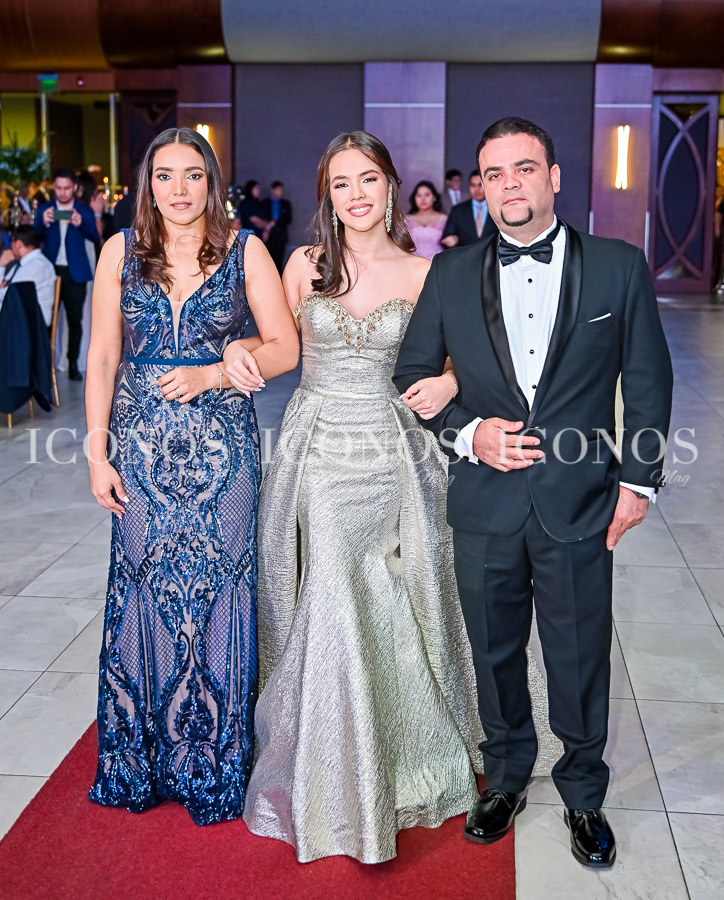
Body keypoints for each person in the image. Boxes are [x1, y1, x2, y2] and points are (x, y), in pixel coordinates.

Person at [229, 130, 559, 864]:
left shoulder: (426, 270)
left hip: (394, 448)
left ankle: (400, 754)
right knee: (333, 580)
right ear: (327, 194)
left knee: (394, 588)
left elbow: (468, 360)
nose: (356, 195)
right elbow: (278, 346)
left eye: (368, 180)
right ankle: (334, 769)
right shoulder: (304, 264)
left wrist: (447, 379)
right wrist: (234, 351)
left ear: (390, 187)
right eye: (340, 183)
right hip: (319, 448)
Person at [394, 116, 674, 869]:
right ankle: (508, 773)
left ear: (553, 177)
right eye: (494, 173)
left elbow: (649, 380)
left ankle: (583, 790)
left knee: (578, 652)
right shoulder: (450, 273)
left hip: (580, 499)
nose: (508, 184)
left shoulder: (618, 266)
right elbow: (411, 373)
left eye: (524, 169)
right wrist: (468, 433)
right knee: (493, 651)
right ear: (478, 188)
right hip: (483, 500)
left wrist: (639, 482)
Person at [84, 127, 299, 826]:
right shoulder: (120, 251)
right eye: (164, 175)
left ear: (213, 182)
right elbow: (102, 356)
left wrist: (214, 373)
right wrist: (97, 452)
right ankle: (140, 760)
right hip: (140, 448)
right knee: (143, 587)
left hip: (221, 451)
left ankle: (213, 760)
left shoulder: (245, 250)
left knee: (220, 593)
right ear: (146, 185)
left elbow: (285, 347)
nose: (178, 189)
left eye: (193, 175)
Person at [35, 168, 98, 381]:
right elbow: (35, 236)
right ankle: (44, 364)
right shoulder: (45, 209)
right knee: (46, 319)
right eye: (58, 188)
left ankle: (72, 363)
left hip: (75, 272)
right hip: (50, 271)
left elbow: (94, 235)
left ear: (74, 188)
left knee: (74, 320)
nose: (62, 192)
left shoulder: (83, 210)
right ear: (54, 187)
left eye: (66, 188)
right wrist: (43, 222)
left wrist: (81, 223)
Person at [0, 225, 57, 326]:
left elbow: (8, 295)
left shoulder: (37, 266)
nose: (9, 246)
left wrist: (1, 266)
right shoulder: (22, 264)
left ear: (18, 244)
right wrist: (2, 266)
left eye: (11, 241)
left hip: (31, 324)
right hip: (19, 316)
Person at [442, 169, 497, 248]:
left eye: (480, 185)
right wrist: (455, 240)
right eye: (472, 185)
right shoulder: (457, 211)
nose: (476, 189)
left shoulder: (498, 208)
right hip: (465, 254)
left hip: (493, 254)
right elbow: (446, 239)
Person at [405, 180, 448, 260]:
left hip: (437, 261)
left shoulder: (444, 219)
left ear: (434, 197)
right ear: (414, 198)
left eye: (427, 195)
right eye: (419, 195)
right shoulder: (407, 219)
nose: (423, 199)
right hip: (413, 261)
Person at [262, 180, 293, 273]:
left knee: (279, 262)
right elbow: (261, 217)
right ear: (273, 190)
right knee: (268, 261)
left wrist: (276, 223)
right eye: (279, 190)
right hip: (269, 236)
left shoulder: (286, 204)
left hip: (281, 236)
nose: (281, 192)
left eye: (281, 190)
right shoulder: (265, 203)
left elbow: (288, 219)